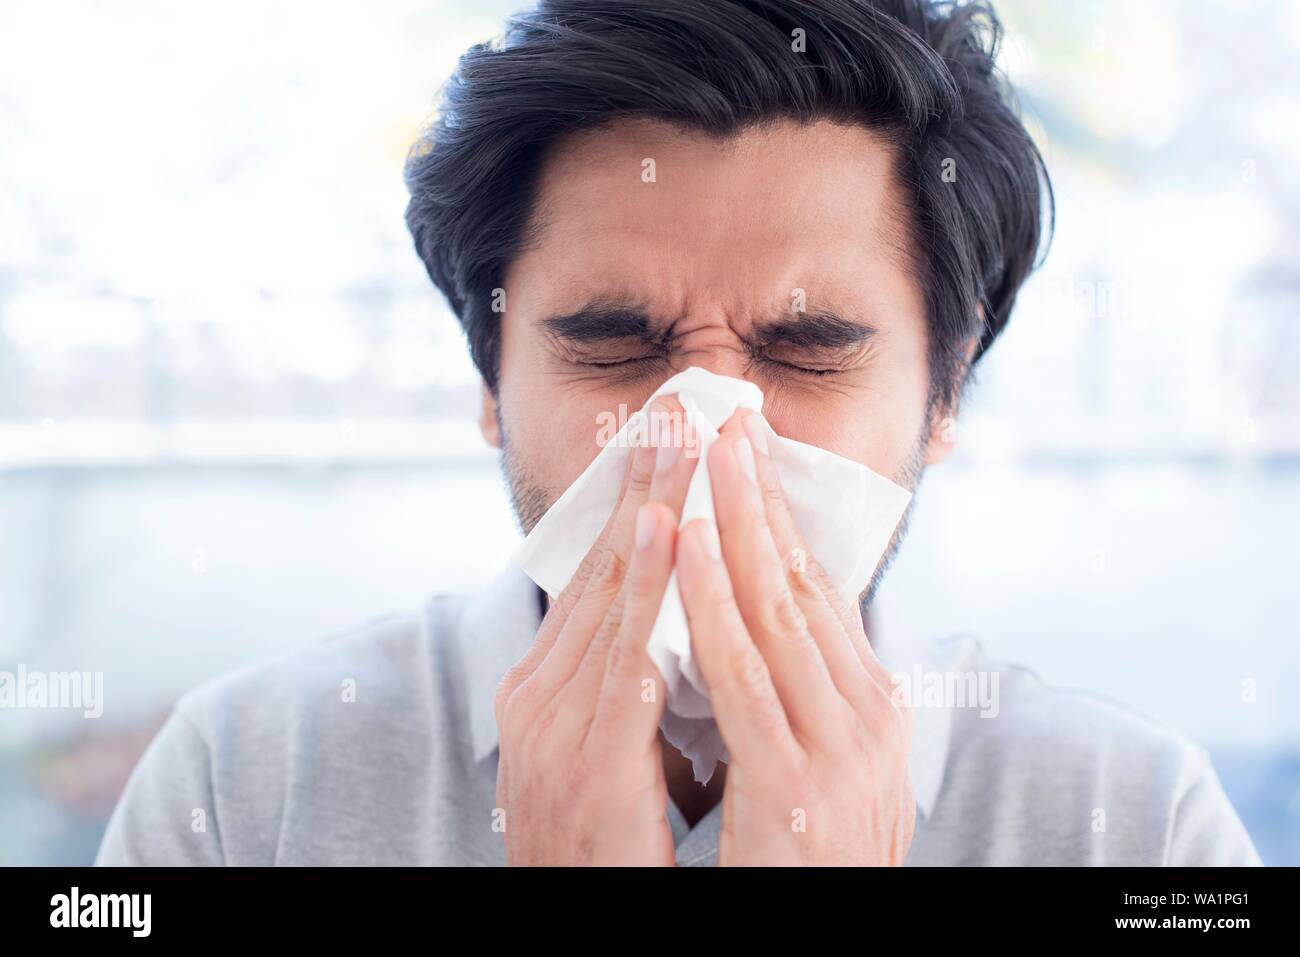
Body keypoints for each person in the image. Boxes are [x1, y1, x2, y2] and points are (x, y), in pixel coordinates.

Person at [96, 0, 1260, 866]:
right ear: (489, 377)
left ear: (944, 393)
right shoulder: (244, 785)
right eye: (613, 343)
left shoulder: (1140, 826)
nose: (699, 435)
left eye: (808, 351)